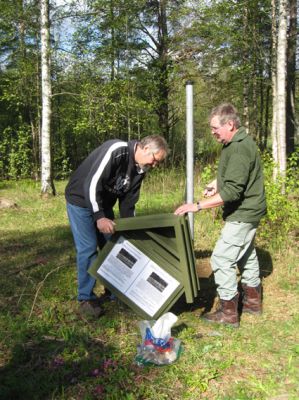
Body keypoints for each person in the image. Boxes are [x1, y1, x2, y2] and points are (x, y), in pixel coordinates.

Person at [175, 103, 266, 328]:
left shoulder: (238, 147)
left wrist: (197, 205)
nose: (212, 132)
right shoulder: (236, 142)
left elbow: (234, 191)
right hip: (250, 210)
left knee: (221, 258)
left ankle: (228, 312)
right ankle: (253, 303)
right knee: (246, 255)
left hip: (243, 212)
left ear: (230, 124)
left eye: (215, 127)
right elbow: (239, 175)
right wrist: (217, 182)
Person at [65, 135, 169, 317]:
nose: (154, 165)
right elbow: (92, 184)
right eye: (154, 160)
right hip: (80, 200)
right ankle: (85, 298)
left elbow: (128, 204)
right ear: (144, 149)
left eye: (157, 163)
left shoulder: (140, 169)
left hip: (103, 204)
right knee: (88, 248)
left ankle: (114, 291)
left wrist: (130, 230)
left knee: (113, 245)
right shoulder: (117, 151)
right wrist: (99, 217)